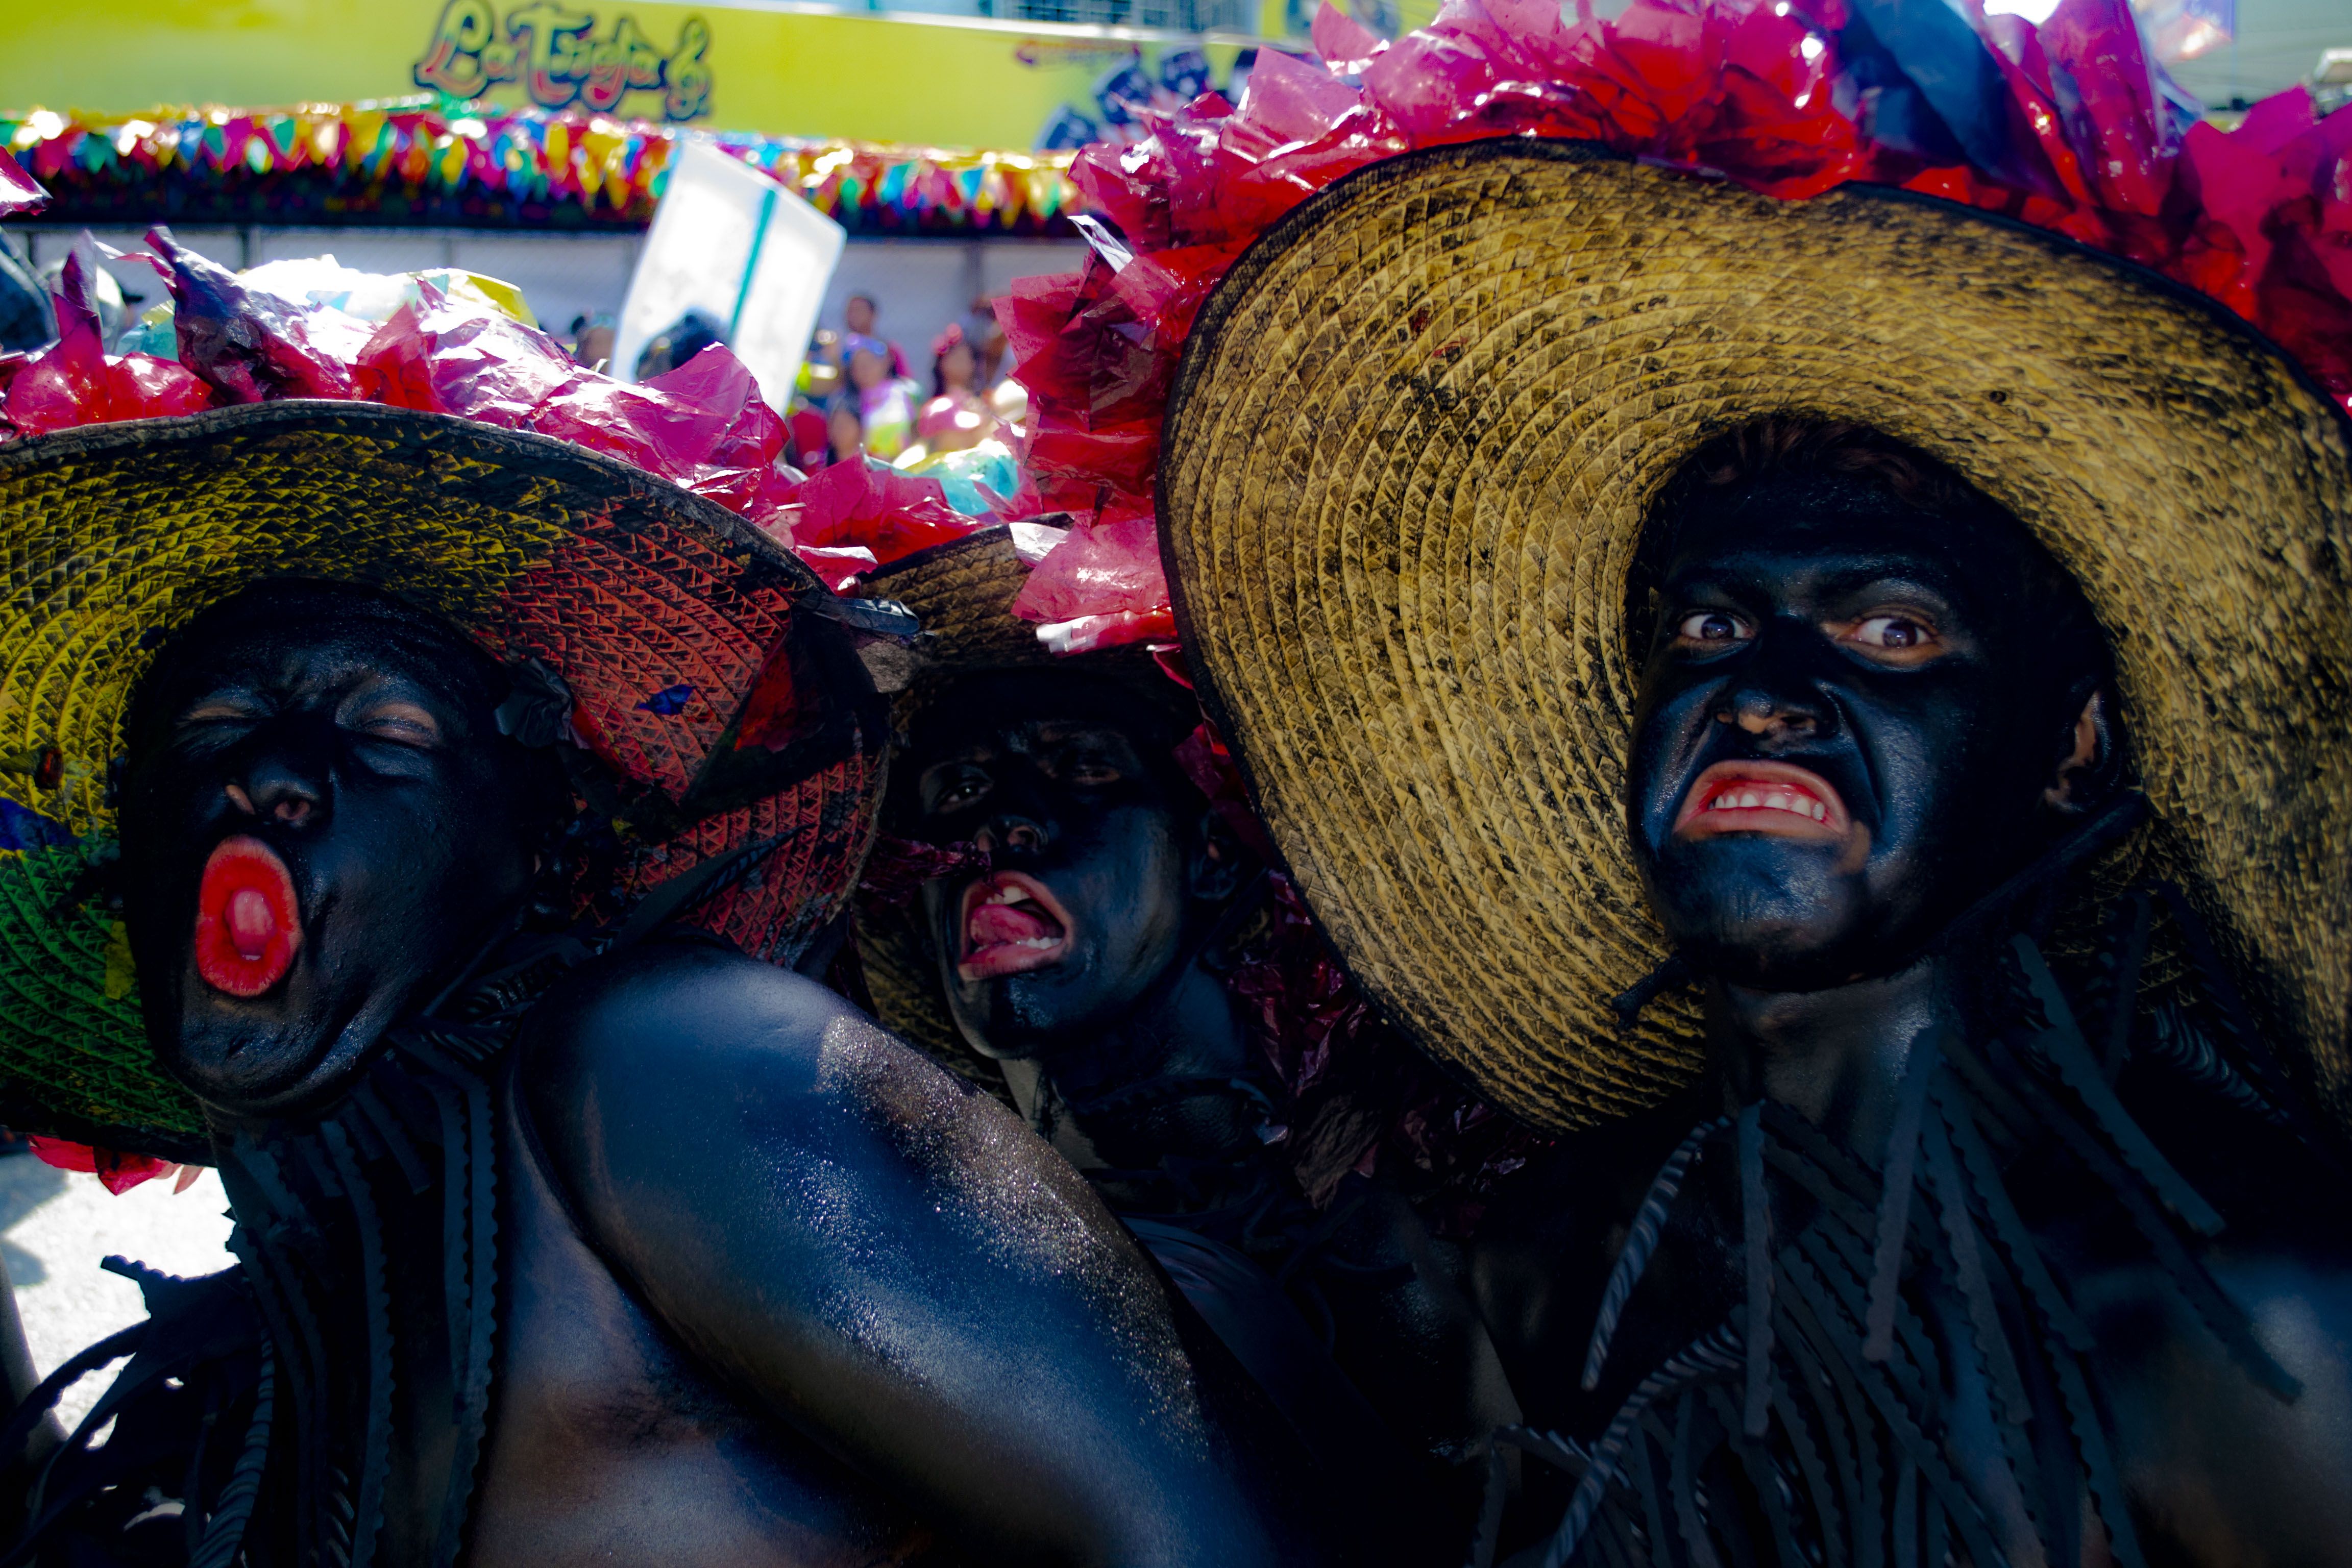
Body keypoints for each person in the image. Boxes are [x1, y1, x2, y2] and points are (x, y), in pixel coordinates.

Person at [1155, 139, 2352, 1566]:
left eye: (1891, 630)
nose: (1764, 691)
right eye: (1710, 627)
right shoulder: (1549, 1265)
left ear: (2071, 748)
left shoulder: (2238, 1308)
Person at [0, 402, 1358, 1567]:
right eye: (212, 729)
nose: (269, 778)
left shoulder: (666, 1061)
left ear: (533, 839)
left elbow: (1209, 1538)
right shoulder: (328, 1265)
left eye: (381, 727)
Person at [849, 528, 1525, 1561]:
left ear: (1213, 852)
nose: (1000, 827)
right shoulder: (918, 1244)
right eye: (958, 794)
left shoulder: (1435, 1212)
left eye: (1079, 767)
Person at [915, 324, 995, 456]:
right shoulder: (934, 407)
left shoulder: (981, 402)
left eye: (966, 358)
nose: (961, 363)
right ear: (941, 363)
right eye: (956, 358)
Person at [843, 332, 917, 461]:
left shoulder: (906, 392)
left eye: (870, 362)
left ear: (886, 362)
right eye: (858, 364)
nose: (865, 369)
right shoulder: (847, 405)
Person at [842, 292, 910, 381]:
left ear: (873, 315)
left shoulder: (890, 349)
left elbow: (906, 381)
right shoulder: (842, 349)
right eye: (850, 311)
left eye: (858, 310)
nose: (853, 316)